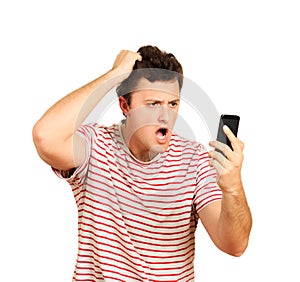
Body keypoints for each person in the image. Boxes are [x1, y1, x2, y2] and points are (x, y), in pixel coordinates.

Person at [32, 45, 252, 281]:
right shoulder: (95, 147)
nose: (165, 116)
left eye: (173, 104)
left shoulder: (195, 160)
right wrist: (112, 76)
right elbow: (46, 137)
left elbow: (234, 245)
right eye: (153, 104)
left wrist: (232, 187)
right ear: (125, 106)